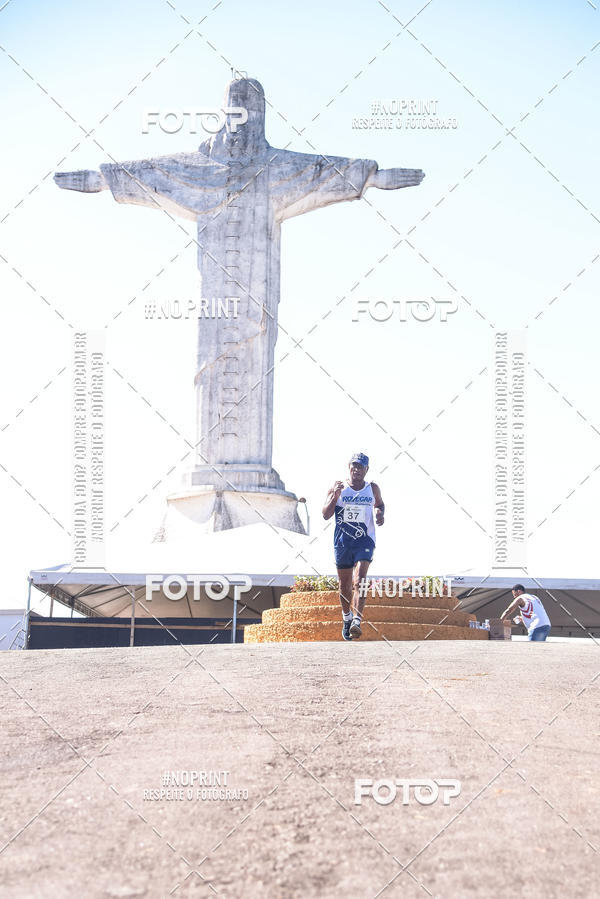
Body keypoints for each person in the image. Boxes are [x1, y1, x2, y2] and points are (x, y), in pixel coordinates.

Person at [322, 453, 384, 640]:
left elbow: (380, 504)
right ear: (349, 467)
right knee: (345, 585)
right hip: (343, 541)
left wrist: (380, 513)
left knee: (361, 579)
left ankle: (357, 619)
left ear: (366, 470)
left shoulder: (372, 488)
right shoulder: (338, 487)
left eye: (361, 467)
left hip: (365, 539)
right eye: (354, 466)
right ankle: (347, 617)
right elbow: (325, 514)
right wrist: (335, 496)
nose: (357, 470)